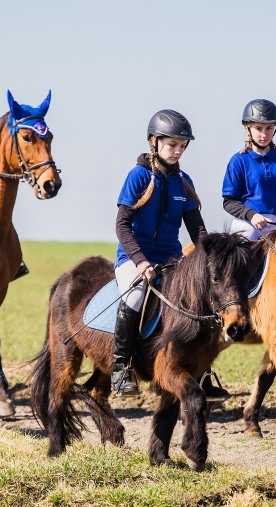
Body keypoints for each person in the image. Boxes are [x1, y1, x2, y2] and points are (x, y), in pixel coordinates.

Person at [111, 109, 207, 397]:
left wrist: (207, 257)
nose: (178, 151)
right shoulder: (138, 176)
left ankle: (203, 372)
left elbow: (197, 229)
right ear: (154, 142)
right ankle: (120, 368)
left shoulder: (184, 181)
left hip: (171, 260)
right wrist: (139, 262)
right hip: (133, 258)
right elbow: (122, 225)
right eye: (172, 145)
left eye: (182, 146)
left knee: (200, 299)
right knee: (136, 296)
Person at [221, 98, 276, 347]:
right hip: (249, 224)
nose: (264, 133)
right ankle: (236, 313)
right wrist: (251, 215)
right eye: (259, 128)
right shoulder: (238, 161)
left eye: (269, 128)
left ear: (275, 129)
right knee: (238, 264)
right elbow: (229, 201)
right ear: (247, 129)